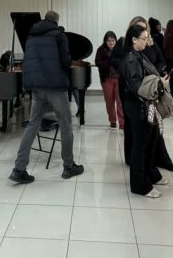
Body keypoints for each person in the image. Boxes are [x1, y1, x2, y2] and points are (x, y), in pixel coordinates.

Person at [10, 11, 84, 183]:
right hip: (55, 87)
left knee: (32, 125)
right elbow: (66, 62)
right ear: (56, 21)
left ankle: (19, 169)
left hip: (37, 89)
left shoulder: (31, 37)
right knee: (66, 125)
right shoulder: (59, 35)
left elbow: (29, 62)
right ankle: (68, 167)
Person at [119, 23, 169, 198]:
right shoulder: (131, 59)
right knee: (140, 146)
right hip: (138, 107)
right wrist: (160, 84)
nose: (146, 41)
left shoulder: (139, 55)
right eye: (144, 38)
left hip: (146, 106)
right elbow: (138, 88)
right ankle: (139, 185)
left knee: (151, 141)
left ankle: (151, 173)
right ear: (134, 40)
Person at [95, 31, 123, 129]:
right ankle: (113, 121)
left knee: (120, 101)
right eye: (109, 41)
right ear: (105, 41)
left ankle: (122, 123)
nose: (111, 43)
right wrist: (110, 61)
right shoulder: (101, 50)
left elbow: (123, 61)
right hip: (107, 79)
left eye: (113, 40)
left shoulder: (119, 49)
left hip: (118, 79)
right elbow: (98, 63)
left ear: (116, 41)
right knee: (109, 102)